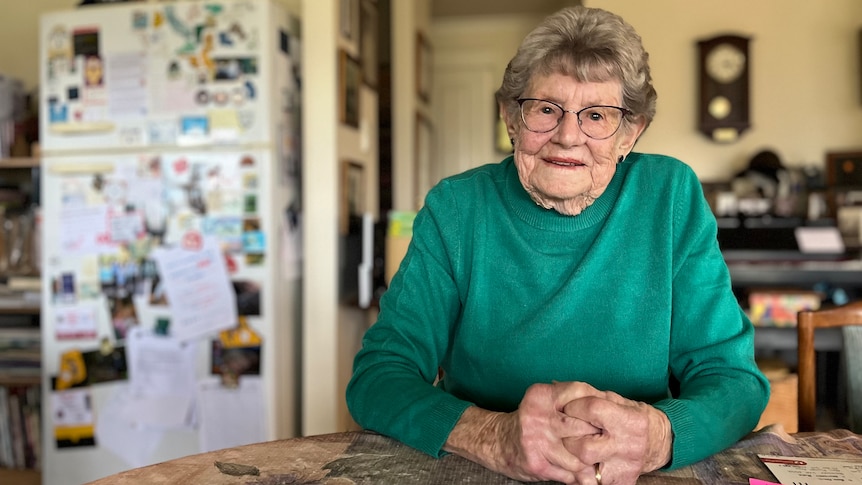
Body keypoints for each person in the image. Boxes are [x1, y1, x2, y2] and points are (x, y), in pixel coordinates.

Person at [346, 5, 770, 485]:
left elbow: (734, 381)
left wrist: (658, 436)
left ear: (629, 133)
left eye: (597, 115)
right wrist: (491, 435)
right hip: (481, 472)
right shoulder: (457, 208)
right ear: (511, 118)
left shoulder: (669, 197)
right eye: (546, 109)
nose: (568, 136)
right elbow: (378, 377)